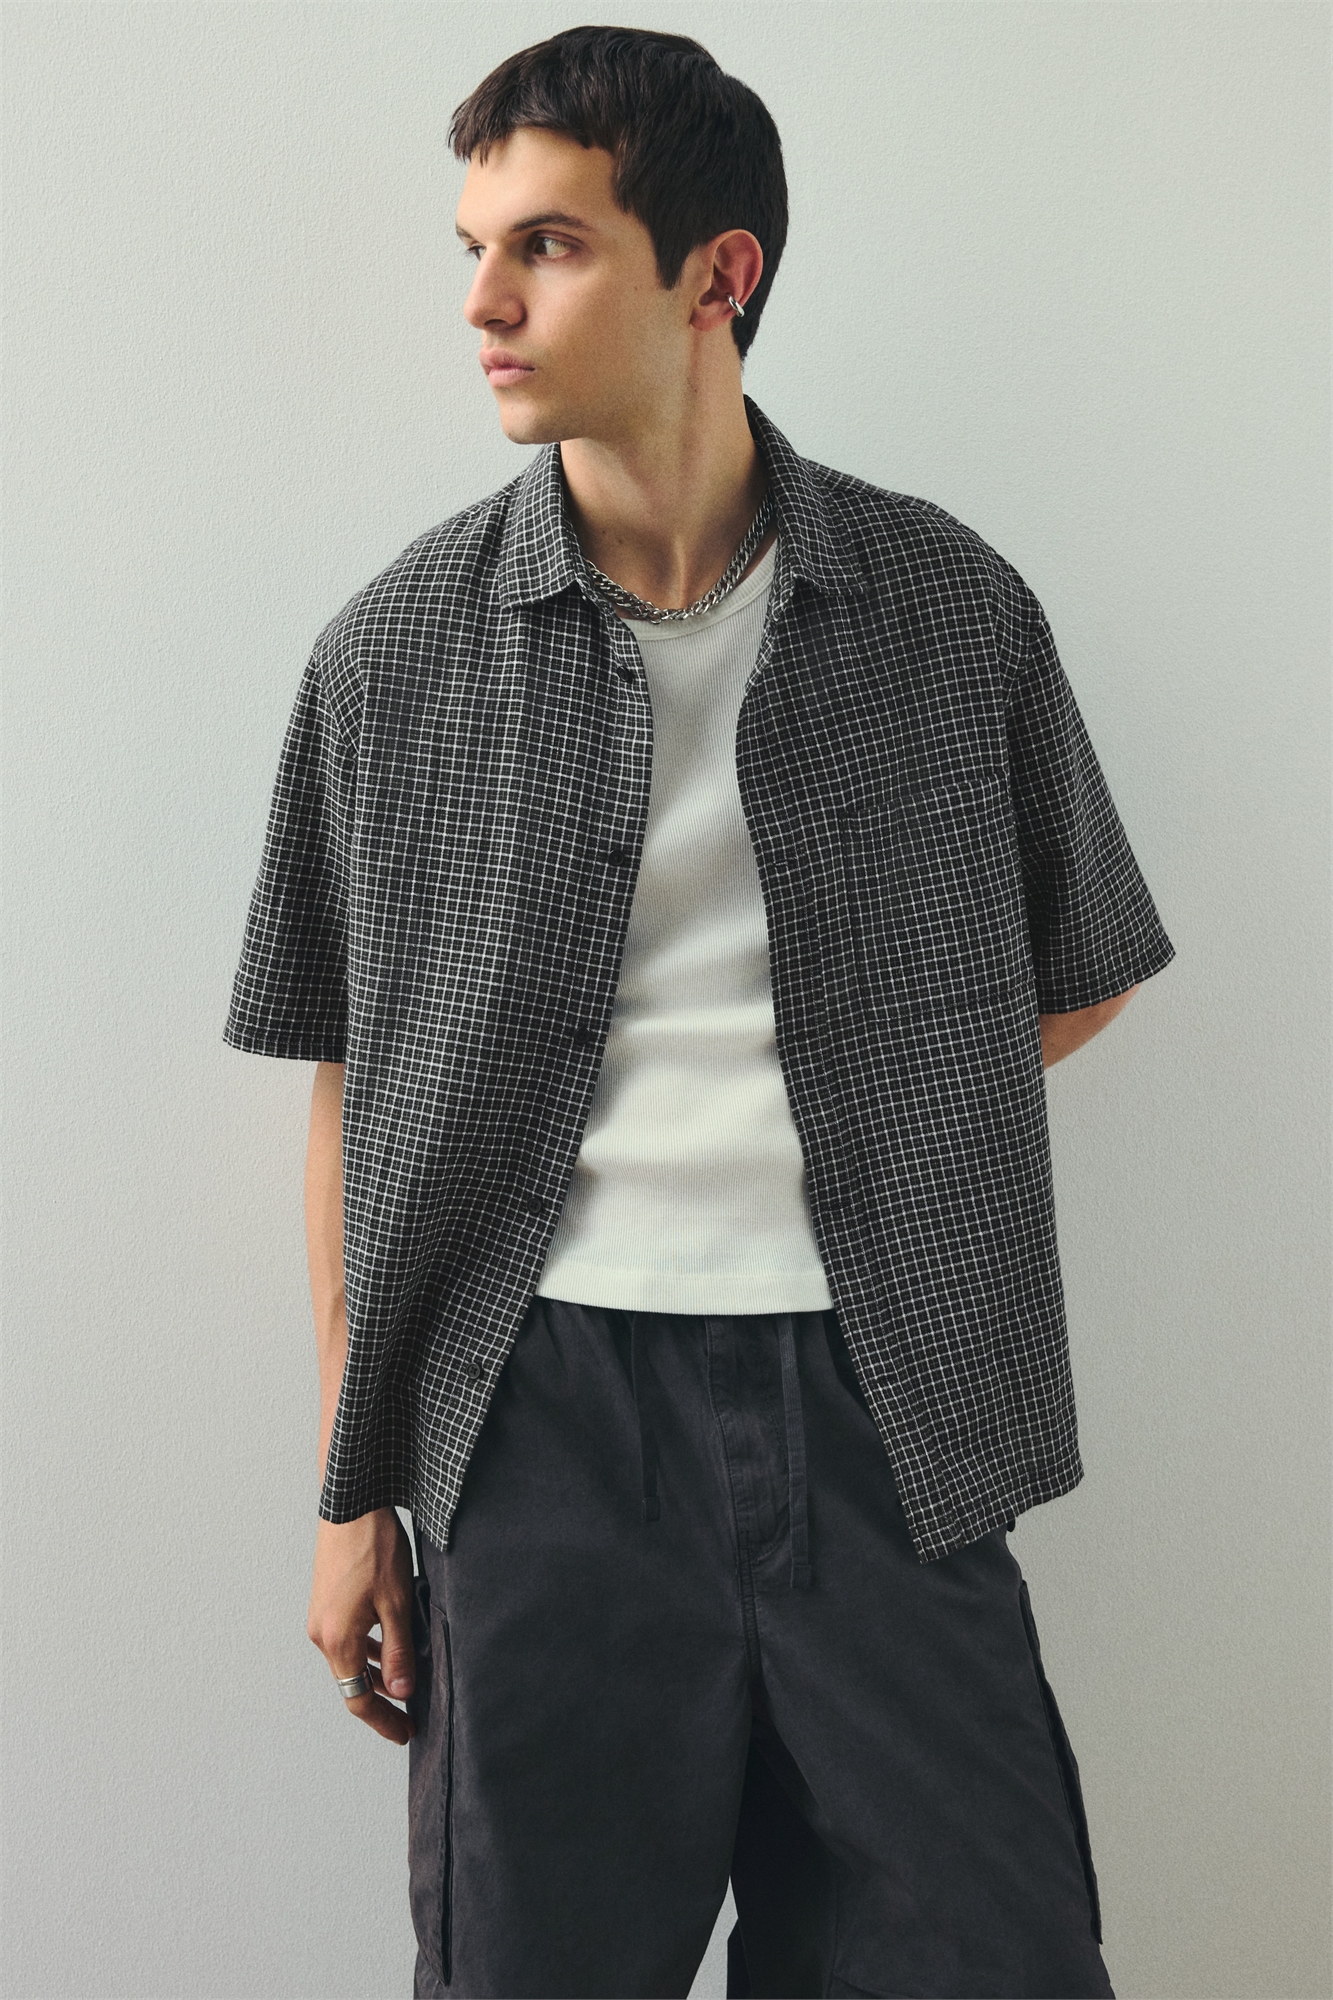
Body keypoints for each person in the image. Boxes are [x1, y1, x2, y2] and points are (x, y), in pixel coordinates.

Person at [224, 26, 1175, 1999]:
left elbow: (1071, 966)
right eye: (475, 248)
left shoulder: (946, 612)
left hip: (889, 1408)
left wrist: (870, 1121)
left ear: (714, 274)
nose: (483, 304)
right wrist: (349, 1490)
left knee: (987, 1955)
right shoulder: (394, 657)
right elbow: (351, 1089)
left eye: (548, 246)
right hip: (536, 1427)